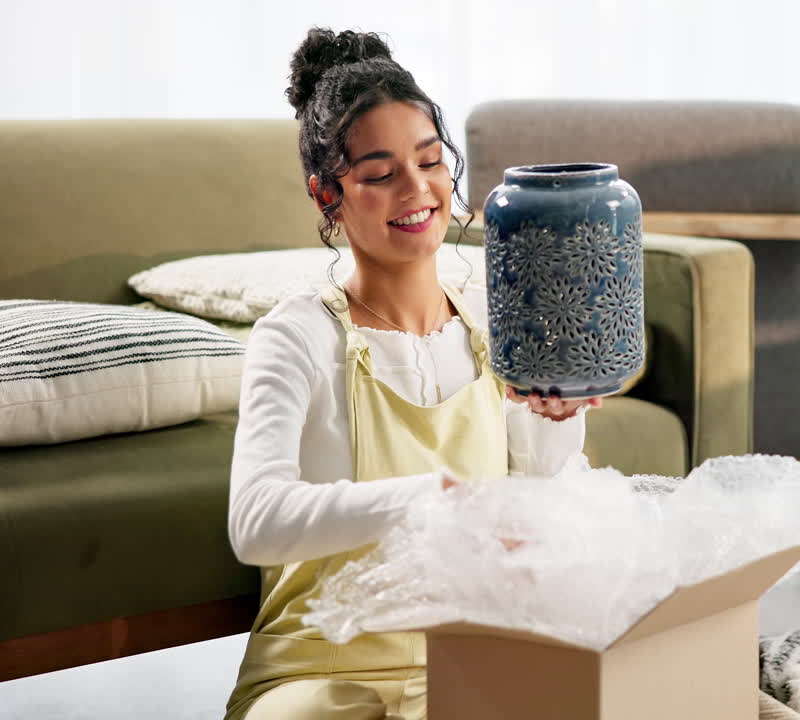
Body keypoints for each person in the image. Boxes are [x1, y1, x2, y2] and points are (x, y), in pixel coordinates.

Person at [223, 27, 600, 720]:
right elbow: (255, 522)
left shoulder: (493, 321)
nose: (417, 189)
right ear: (325, 195)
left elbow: (539, 496)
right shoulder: (298, 335)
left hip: (462, 661)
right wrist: (431, 496)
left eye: (430, 161)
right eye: (379, 173)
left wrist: (559, 415)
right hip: (318, 665)